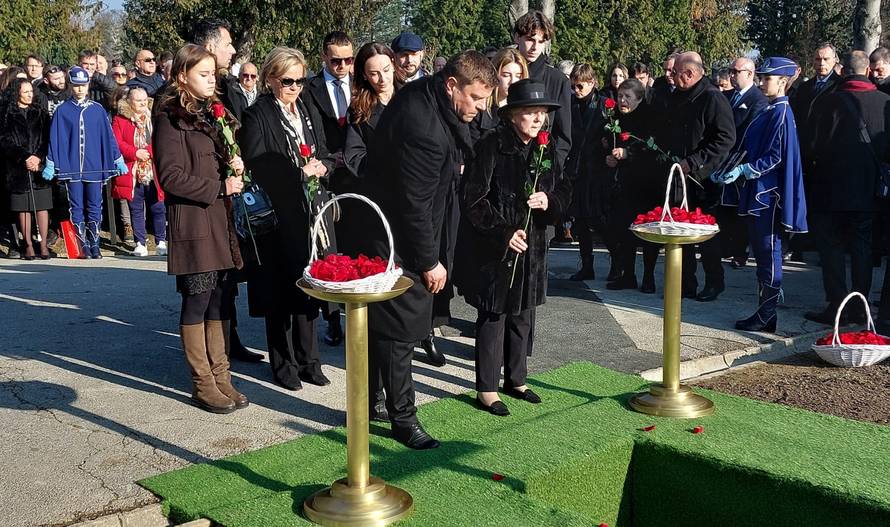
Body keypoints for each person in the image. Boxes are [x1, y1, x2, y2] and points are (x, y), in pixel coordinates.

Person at [346, 51, 496, 449]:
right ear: (452, 86)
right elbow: (414, 205)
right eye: (477, 99)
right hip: (397, 237)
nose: (481, 109)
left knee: (386, 326)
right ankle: (403, 418)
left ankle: (375, 401)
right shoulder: (425, 129)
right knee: (399, 330)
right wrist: (430, 261)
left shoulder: (427, 94)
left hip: (393, 224)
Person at [455, 79, 569, 415]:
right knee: (494, 315)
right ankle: (487, 388)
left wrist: (549, 200)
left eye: (542, 114)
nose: (537, 120)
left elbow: (564, 190)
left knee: (523, 313)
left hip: (533, 246)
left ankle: (517, 379)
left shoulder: (545, 148)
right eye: (530, 113)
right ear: (512, 115)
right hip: (498, 248)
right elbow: (473, 198)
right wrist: (503, 231)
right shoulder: (491, 145)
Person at [154, 44, 248, 414]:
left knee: (218, 298)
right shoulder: (169, 118)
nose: (212, 80)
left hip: (218, 221)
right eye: (203, 74)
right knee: (197, 299)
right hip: (193, 221)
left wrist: (232, 164)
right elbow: (171, 176)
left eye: (213, 74)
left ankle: (221, 376)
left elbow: (210, 162)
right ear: (182, 77)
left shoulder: (209, 114)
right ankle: (202, 383)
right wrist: (218, 187)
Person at [239, 47, 334, 391]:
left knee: (309, 285)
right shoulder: (258, 114)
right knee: (279, 289)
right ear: (270, 79)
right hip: (277, 215)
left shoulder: (306, 108)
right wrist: (298, 172)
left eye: (301, 80)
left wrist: (324, 165)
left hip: (311, 212)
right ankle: (284, 364)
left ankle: (310, 360)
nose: (295, 87)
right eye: (288, 81)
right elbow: (257, 163)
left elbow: (323, 148)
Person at [713, 57, 808, 332]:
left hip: (768, 194)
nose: (762, 81)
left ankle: (767, 313)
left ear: (782, 82)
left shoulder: (781, 111)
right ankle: (766, 312)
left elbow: (776, 156)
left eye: (767, 78)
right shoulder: (772, 110)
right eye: (762, 76)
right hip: (760, 192)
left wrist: (745, 169)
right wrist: (732, 168)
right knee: (764, 252)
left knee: (769, 251)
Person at [192, 18, 264, 363]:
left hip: (231, 197)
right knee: (204, 287)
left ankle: (227, 342)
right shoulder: (183, 97)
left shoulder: (229, 88)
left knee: (229, 279)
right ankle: (207, 357)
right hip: (203, 202)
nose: (233, 50)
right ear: (209, 48)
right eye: (228, 44)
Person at [803, 51, 890, 325]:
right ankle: (860, 304)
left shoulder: (827, 102)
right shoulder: (885, 102)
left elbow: (812, 145)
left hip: (831, 189)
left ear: (842, 71)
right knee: (862, 248)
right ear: (867, 72)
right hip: (868, 191)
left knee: (832, 249)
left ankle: (837, 305)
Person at [342, 41, 404, 421]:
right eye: (373, 73)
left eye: (385, 69)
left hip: (410, 213)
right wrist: (386, 169)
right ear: (363, 75)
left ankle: (397, 390)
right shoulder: (360, 109)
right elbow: (354, 157)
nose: (380, 79)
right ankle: (372, 396)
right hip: (376, 214)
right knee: (376, 310)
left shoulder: (412, 99)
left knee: (400, 310)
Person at [657, 51, 735, 301]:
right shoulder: (677, 96)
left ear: (689, 74)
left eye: (675, 72)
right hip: (679, 176)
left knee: (705, 236)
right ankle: (685, 282)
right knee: (681, 230)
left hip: (702, 179)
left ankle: (714, 281)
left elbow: (725, 138)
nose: (670, 77)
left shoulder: (712, 98)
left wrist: (695, 163)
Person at [301, 31, 355, 346]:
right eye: (336, 60)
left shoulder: (359, 83)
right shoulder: (310, 89)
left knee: (353, 244)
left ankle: (357, 309)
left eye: (348, 59)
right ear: (323, 56)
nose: (343, 66)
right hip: (323, 174)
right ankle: (332, 319)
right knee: (327, 248)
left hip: (355, 173)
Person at [42, 66, 126, 259]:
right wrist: (51, 161)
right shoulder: (62, 110)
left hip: (94, 165)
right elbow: (55, 137)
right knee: (76, 206)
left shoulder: (98, 110)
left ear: (88, 85)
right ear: (71, 86)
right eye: (76, 85)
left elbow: (108, 137)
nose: (80, 89)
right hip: (71, 166)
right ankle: (82, 245)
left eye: (83, 85)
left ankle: (95, 243)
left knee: (95, 204)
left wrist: (117, 158)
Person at [604, 78, 661, 292]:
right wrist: (609, 156)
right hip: (623, 184)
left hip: (646, 184)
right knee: (624, 231)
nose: (622, 101)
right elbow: (610, 141)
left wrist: (629, 153)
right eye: (619, 96)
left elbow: (652, 147)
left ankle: (648, 277)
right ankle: (628, 275)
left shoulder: (649, 118)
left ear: (639, 98)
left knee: (646, 232)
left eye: (627, 97)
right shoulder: (615, 118)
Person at [722, 57, 768, 268]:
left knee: (740, 209)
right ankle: (727, 247)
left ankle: (740, 252)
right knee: (726, 208)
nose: (732, 74)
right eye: (730, 70)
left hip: (741, 159)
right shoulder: (729, 96)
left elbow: (749, 131)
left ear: (750, 74)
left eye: (736, 71)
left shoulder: (758, 99)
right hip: (724, 158)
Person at [0, 78, 52, 259]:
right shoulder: (6, 114)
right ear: (17, 93)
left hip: (39, 166)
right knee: (23, 206)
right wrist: (24, 157)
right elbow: (4, 140)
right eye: (26, 92)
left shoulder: (41, 113)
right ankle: (28, 244)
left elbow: (47, 139)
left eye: (31, 91)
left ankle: (43, 244)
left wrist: (38, 157)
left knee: (42, 205)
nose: (30, 95)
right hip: (17, 168)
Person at [111, 86, 166, 257]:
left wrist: (148, 151)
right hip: (132, 170)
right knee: (136, 208)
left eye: (144, 100)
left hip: (153, 169)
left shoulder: (154, 118)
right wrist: (135, 152)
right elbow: (117, 142)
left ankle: (161, 241)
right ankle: (140, 242)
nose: (142, 103)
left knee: (158, 207)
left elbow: (161, 138)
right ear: (129, 102)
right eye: (138, 100)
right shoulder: (120, 120)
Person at [566, 63, 608, 281]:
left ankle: (617, 263)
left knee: (600, 219)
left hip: (597, 170)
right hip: (578, 169)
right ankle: (586, 264)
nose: (576, 90)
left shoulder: (603, 105)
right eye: (573, 86)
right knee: (580, 220)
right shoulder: (571, 104)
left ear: (592, 82)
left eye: (580, 86)